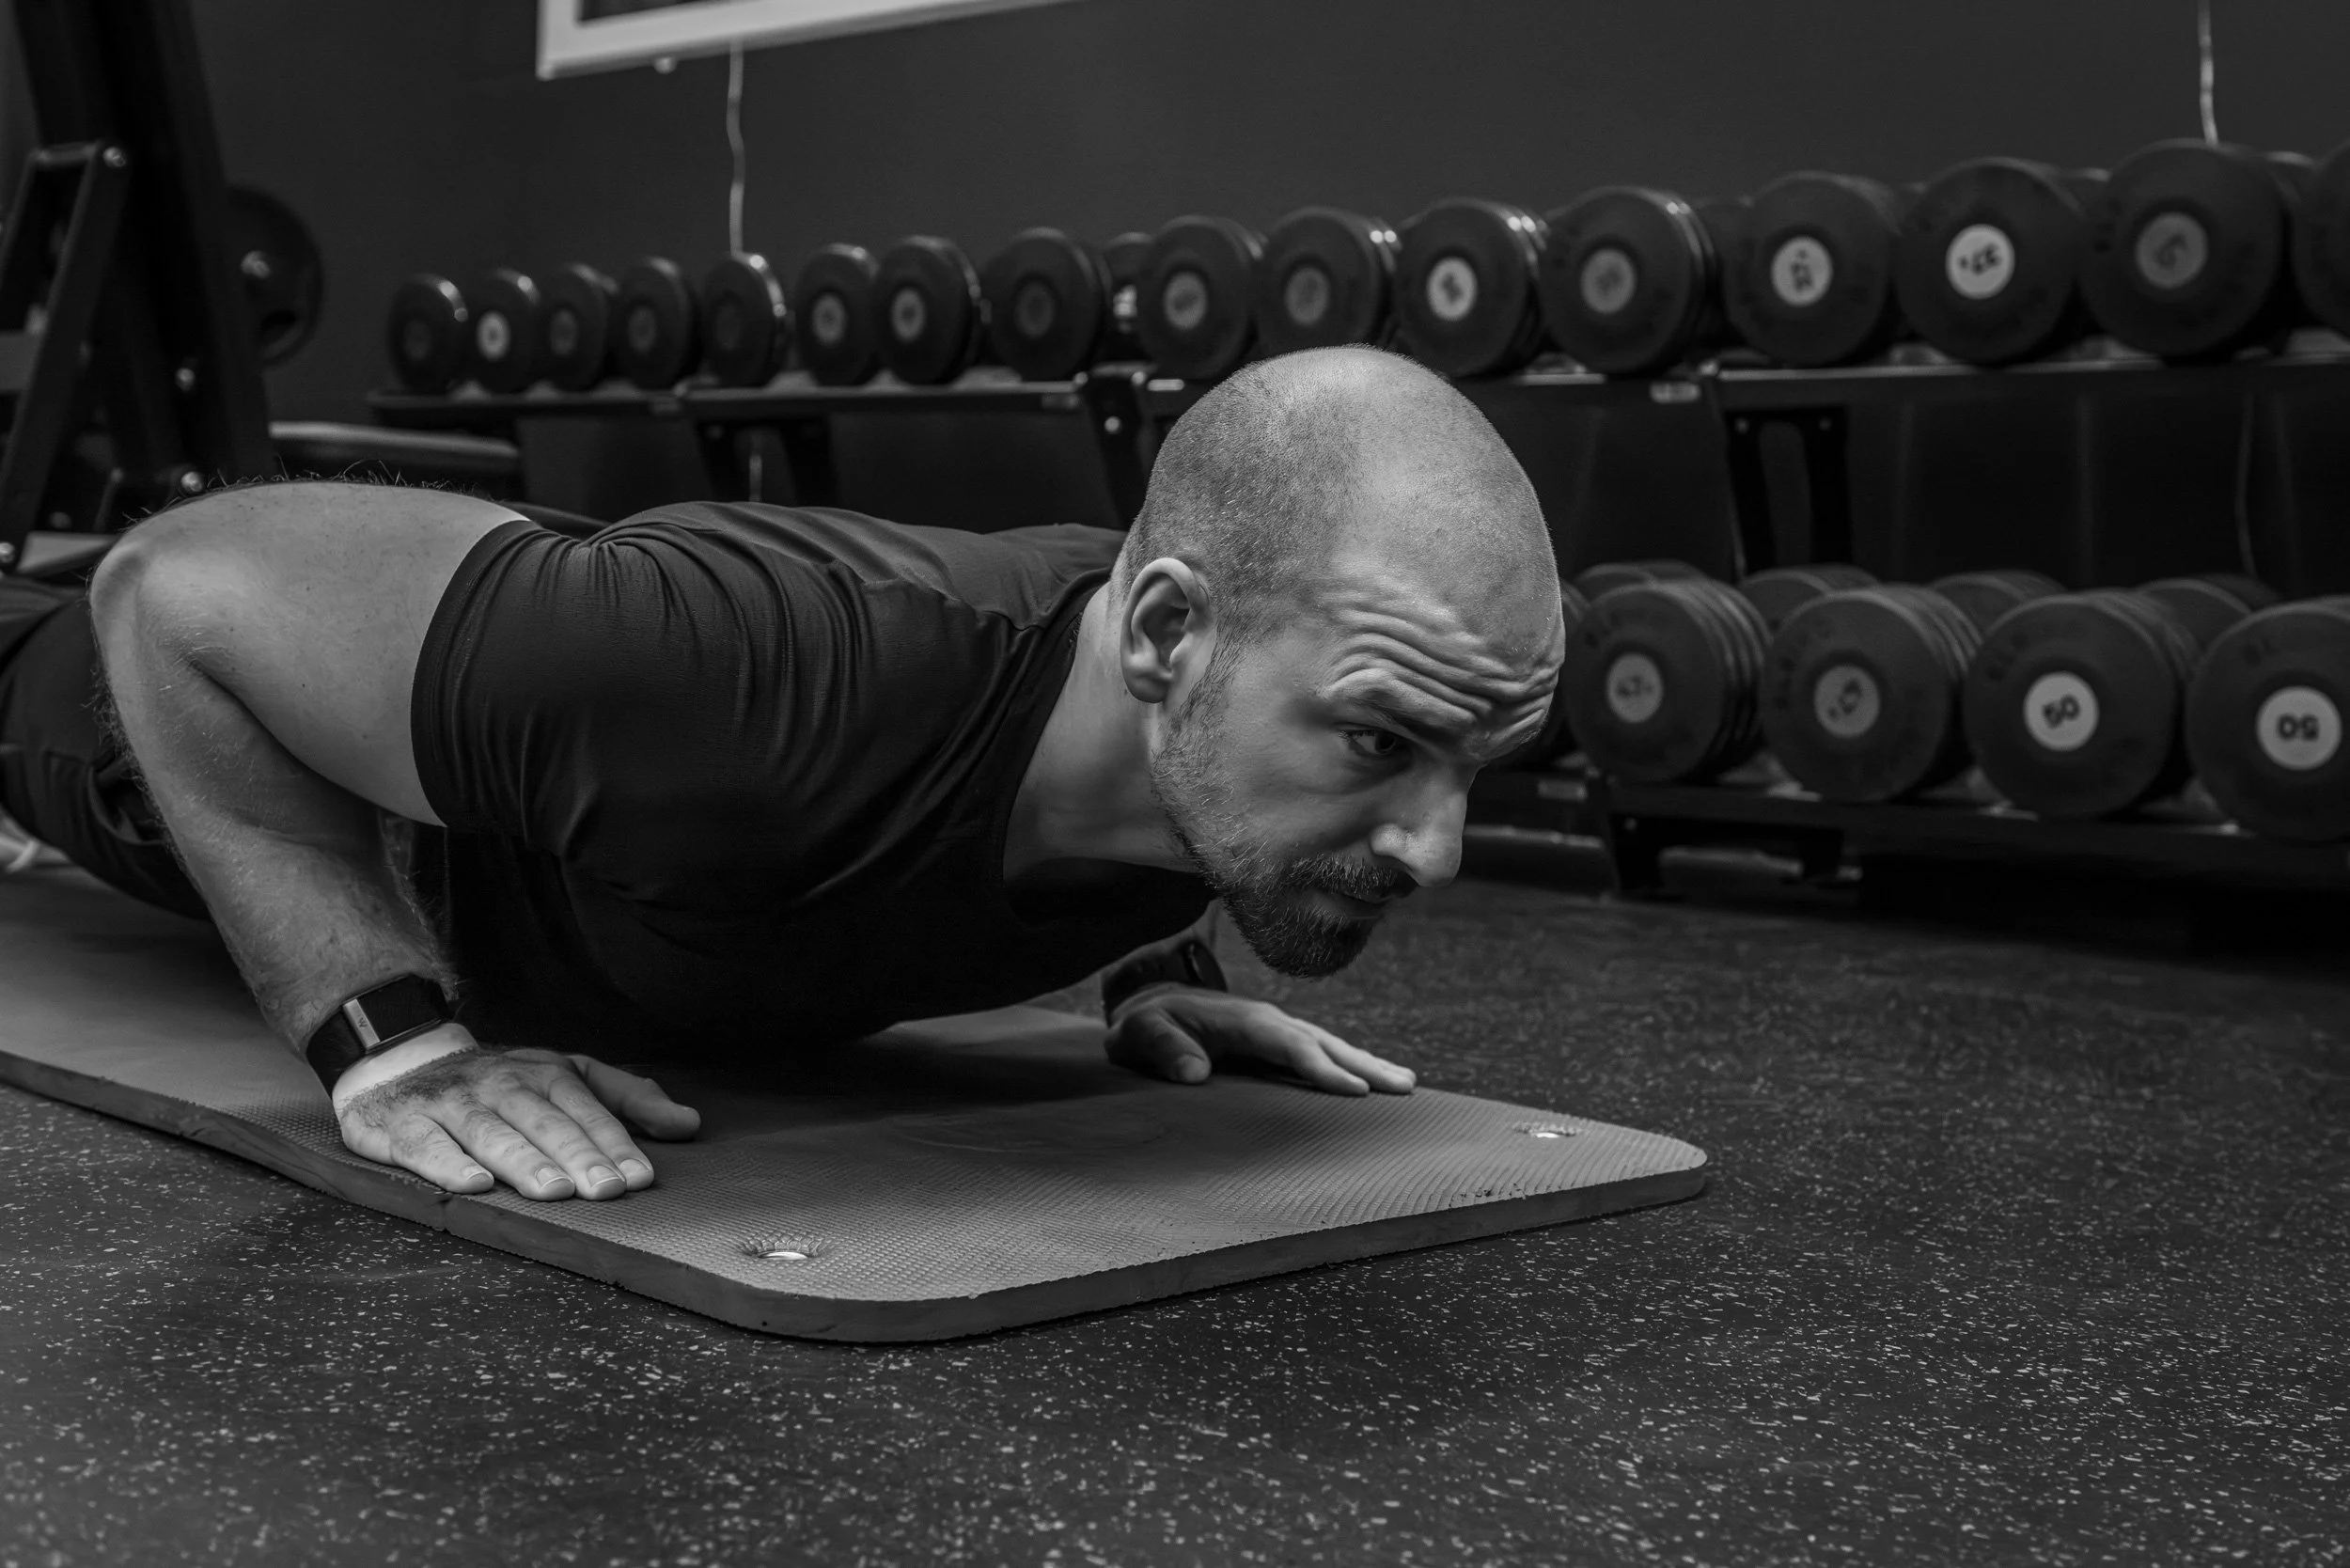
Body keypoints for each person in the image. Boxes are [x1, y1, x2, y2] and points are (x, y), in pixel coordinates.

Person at [0, 346, 1563, 1203]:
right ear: (1165, 636)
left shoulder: (1184, 710)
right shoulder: (725, 672)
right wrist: (388, 1037)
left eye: (1473, 762)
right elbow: (178, 590)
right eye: (1380, 745)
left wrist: (1154, 960)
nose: (1435, 849)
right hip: (151, 735)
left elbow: (1084, 745)